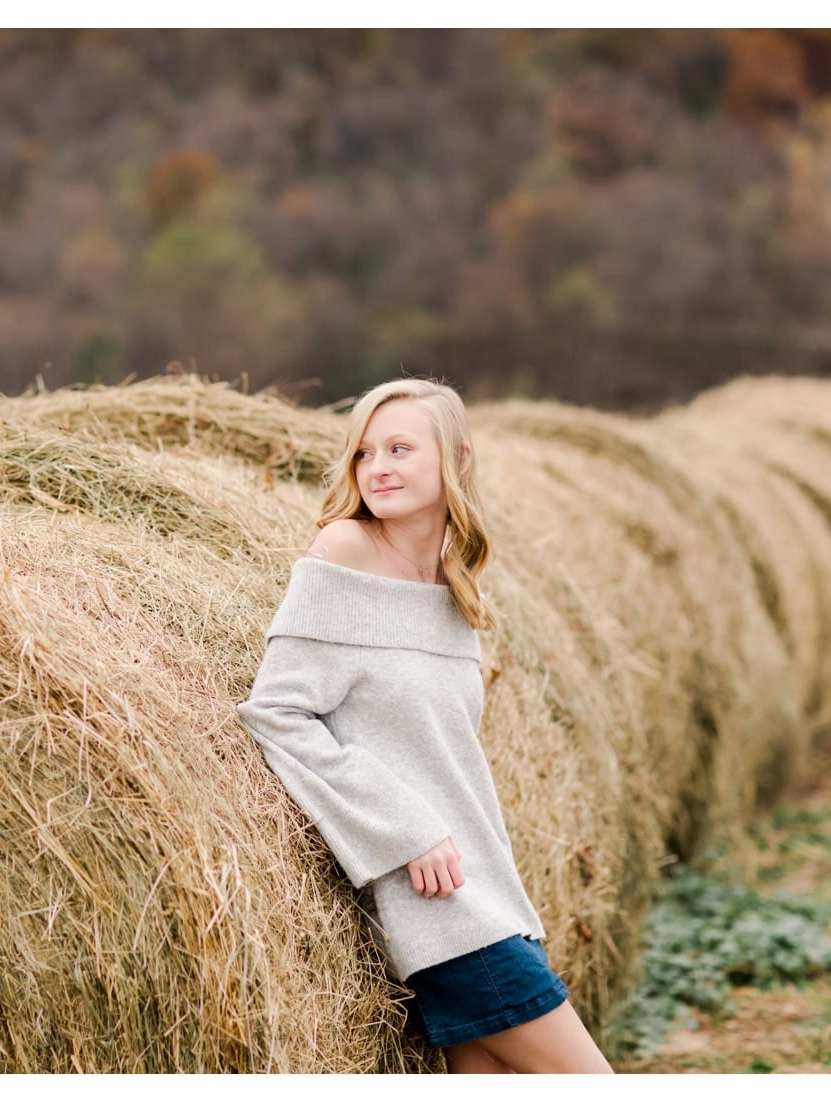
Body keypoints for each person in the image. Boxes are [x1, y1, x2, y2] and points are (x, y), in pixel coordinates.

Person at [236, 377, 612, 1073]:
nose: (377, 467)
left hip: (491, 900)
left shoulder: (455, 586)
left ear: (456, 459)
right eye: (364, 452)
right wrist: (404, 826)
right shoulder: (343, 550)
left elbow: (448, 761)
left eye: (400, 448)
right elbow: (279, 713)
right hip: (441, 913)